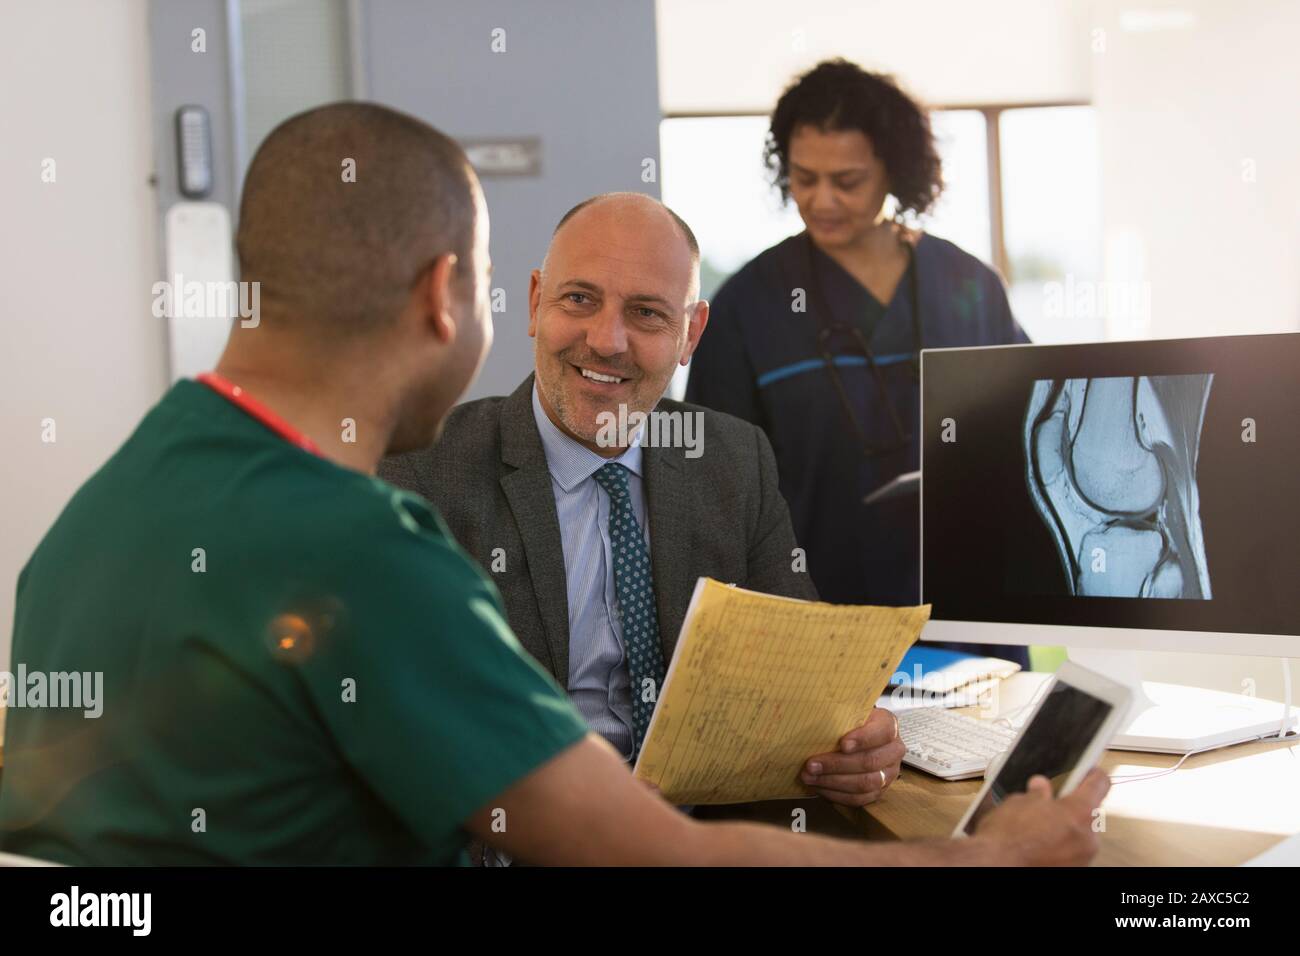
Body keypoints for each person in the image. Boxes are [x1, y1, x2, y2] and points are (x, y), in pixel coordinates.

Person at [0, 102, 1104, 865]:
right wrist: (991, 856)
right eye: (520, 291)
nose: (605, 339)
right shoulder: (362, 542)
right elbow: (644, 852)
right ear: (455, 294)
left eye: (648, 313)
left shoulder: (121, 492)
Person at [382, 192, 901, 827]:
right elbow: (394, 727)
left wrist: (855, 740)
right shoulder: (422, 471)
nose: (607, 341)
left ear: (692, 334)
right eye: (579, 300)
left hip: (704, 834)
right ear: (534, 301)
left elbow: (804, 682)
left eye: (648, 314)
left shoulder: (734, 457)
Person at [686, 59, 1030, 666]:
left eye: (847, 181)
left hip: (969, 612)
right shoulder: (749, 305)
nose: (821, 201)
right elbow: (715, 492)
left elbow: (1029, 429)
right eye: (803, 178)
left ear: (894, 171)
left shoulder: (966, 284)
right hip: (818, 626)